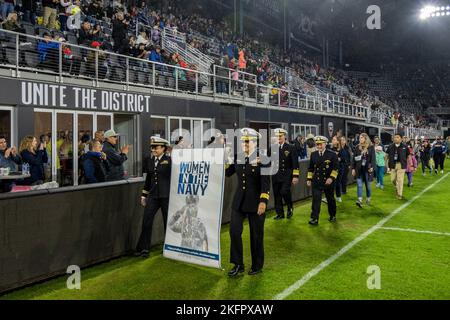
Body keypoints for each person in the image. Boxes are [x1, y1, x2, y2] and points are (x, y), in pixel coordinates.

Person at [225, 128, 270, 276]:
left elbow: (265, 182)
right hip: (239, 202)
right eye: (242, 141)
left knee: (256, 235)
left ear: (255, 142)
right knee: (234, 232)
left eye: (247, 141)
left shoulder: (263, 158)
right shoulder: (237, 157)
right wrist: (225, 157)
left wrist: (263, 201)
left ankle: (257, 265)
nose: (244, 143)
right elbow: (227, 172)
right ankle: (238, 264)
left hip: (256, 202)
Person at [135, 136, 171, 258]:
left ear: (163, 148)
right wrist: (144, 195)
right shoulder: (149, 161)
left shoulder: (170, 161)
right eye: (152, 148)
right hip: (153, 196)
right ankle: (144, 248)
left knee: (168, 222)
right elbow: (149, 180)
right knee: (146, 221)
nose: (153, 150)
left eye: (156, 147)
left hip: (167, 197)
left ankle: (169, 247)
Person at [306, 136, 339, 225]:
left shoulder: (332, 154)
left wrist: (331, 178)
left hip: (328, 182)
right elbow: (310, 168)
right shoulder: (314, 154)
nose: (319, 146)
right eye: (317, 144)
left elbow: (336, 169)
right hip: (316, 181)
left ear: (325, 144)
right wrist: (309, 179)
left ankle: (333, 215)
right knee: (316, 200)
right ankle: (314, 218)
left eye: (321, 144)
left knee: (330, 199)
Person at [271, 128, 299, 220]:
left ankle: (290, 207)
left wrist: (295, 176)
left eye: (280, 136)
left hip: (287, 174)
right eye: (277, 136)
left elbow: (295, 163)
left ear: (284, 136)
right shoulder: (272, 148)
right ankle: (280, 213)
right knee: (277, 194)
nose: (278, 137)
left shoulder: (291, 147)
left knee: (284, 191)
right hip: (275, 175)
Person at [352, 133, 375, 208]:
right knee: (359, 185)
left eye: (361, 138)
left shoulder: (371, 147)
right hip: (359, 169)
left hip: (367, 169)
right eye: (359, 138)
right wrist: (353, 169)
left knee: (368, 186)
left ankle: (368, 198)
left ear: (365, 138)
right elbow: (353, 159)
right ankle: (359, 200)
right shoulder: (357, 147)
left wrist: (372, 167)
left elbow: (373, 159)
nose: (360, 139)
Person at [386, 133, 408, 200]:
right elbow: (387, 156)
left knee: (400, 180)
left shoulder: (405, 146)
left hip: (401, 165)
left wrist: (410, 165)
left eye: (397, 137)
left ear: (401, 139)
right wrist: (387, 166)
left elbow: (408, 156)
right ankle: (397, 187)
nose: (395, 138)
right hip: (393, 164)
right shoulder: (390, 146)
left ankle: (399, 194)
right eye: (395, 137)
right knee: (392, 180)